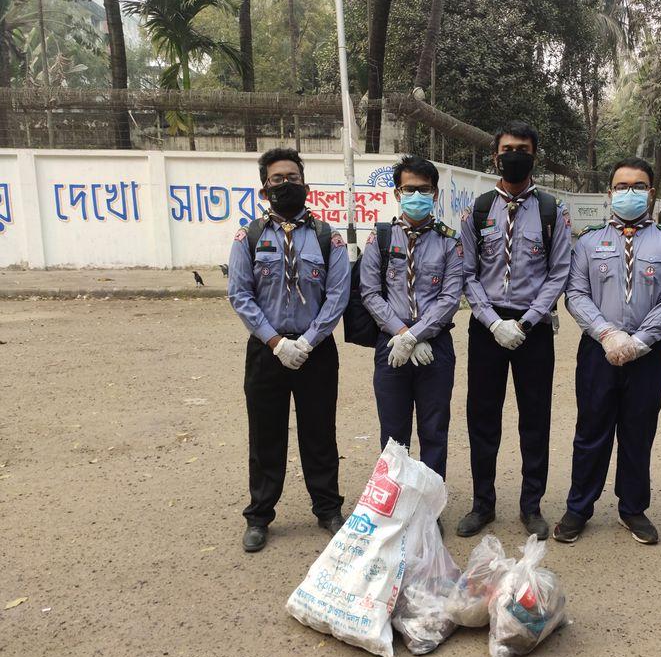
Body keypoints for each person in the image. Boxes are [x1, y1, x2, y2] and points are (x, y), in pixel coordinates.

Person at [553, 158, 661, 544]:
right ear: (610, 192)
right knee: (591, 430)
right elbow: (575, 293)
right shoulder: (588, 242)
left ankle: (633, 508)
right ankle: (579, 507)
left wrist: (640, 341)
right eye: (622, 186)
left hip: (648, 355)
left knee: (638, 432)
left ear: (651, 192)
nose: (630, 193)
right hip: (598, 350)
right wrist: (607, 333)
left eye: (639, 186)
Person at [227, 148, 351, 553]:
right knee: (265, 434)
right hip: (267, 351)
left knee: (320, 432)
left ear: (306, 185)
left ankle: (328, 509)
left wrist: (308, 341)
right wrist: (277, 343)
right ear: (265, 189)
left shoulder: (327, 237)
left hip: (316, 351)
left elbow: (337, 295)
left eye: (293, 178)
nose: (286, 184)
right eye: (278, 179)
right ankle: (259, 515)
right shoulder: (249, 237)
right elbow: (240, 294)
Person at [457, 120, 573, 540]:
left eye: (523, 149)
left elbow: (559, 272)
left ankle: (531, 506)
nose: (514, 155)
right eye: (507, 149)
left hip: (533, 329)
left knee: (535, 418)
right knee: (482, 417)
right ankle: (482, 505)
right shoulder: (478, 210)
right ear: (495, 156)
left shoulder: (553, 211)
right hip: (486, 328)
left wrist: (525, 321)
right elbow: (467, 272)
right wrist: (492, 321)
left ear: (534, 156)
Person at [359, 155, 463, 531]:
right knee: (393, 433)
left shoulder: (450, 241)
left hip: (436, 348)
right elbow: (370, 292)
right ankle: (395, 509)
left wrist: (417, 335)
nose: (416, 196)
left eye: (423, 190)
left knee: (434, 431)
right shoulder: (381, 237)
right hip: (391, 349)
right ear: (396, 193)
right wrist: (402, 335)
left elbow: (450, 297)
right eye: (409, 189)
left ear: (434, 194)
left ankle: (429, 512)